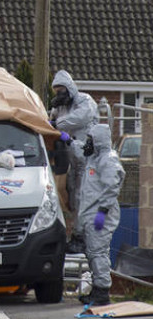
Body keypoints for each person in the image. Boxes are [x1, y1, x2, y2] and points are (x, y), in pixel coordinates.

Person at [49, 70, 99, 254]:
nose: (59, 94)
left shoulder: (85, 101)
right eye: (56, 91)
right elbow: (51, 120)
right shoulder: (62, 107)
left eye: (61, 89)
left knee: (81, 197)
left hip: (87, 161)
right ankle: (76, 235)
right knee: (71, 195)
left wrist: (56, 124)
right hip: (73, 160)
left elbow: (79, 118)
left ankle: (82, 237)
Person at [78, 124, 125, 306]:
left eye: (90, 139)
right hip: (92, 213)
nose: (87, 143)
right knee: (93, 253)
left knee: (98, 253)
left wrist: (103, 211)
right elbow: (79, 151)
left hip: (101, 215)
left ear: (98, 141)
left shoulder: (108, 160)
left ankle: (102, 292)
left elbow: (113, 186)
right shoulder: (94, 158)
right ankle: (97, 289)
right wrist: (68, 140)